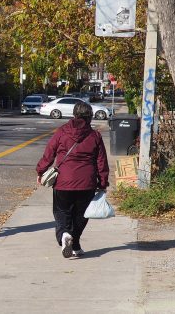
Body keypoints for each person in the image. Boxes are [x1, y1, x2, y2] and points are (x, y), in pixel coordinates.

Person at [36, 101, 110, 258]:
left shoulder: (62, 132)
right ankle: (74, 243)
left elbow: (49, 153)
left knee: (62, 212)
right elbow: (101, 161)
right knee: (82, 215)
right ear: (89, 117)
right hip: (87, 183)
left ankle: (65, 235)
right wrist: (103, 182)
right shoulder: (94, 136)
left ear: (74, 115)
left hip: (63, 181)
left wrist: (41, 171)